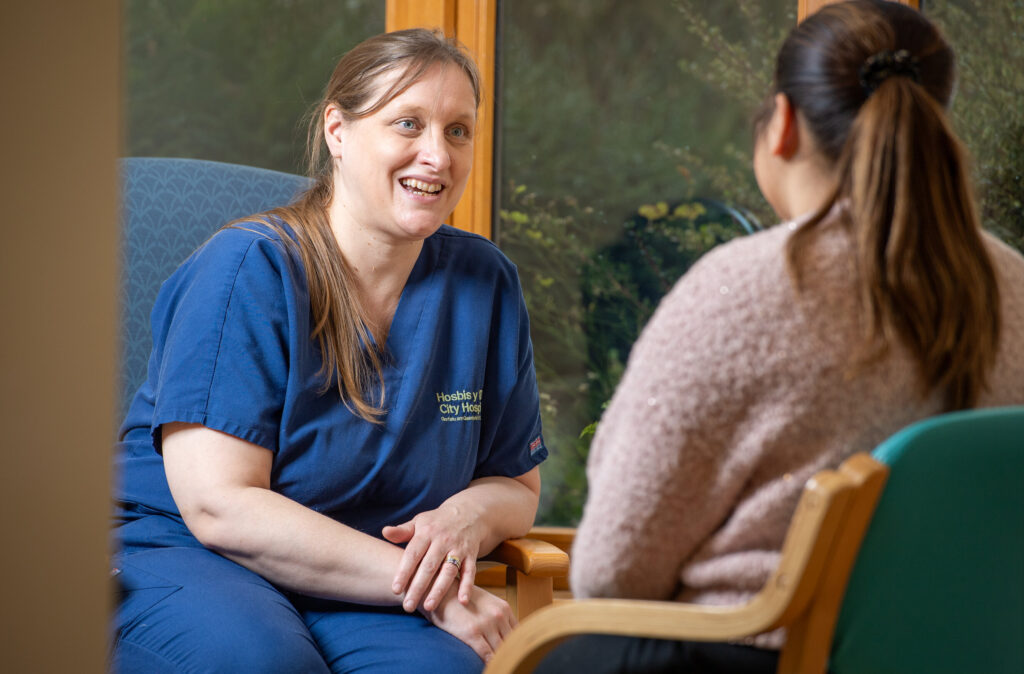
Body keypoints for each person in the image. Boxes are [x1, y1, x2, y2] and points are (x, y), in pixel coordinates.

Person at [538, 1, 1024, 672]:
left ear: (784, 125)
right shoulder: (1013, 285)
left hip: (755, 654)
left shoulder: (744, 288)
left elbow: (612, 572)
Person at [111, 28, 548, 674]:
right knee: (263, 664)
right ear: (337, 132)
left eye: (458, 131)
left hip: (360, 578)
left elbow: (517, 485)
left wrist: (464, 519)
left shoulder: (484, 283)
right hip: (187, 552)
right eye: (409, 123)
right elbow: (219, 506)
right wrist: (425, 583)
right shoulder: (247, 270)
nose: (437, 155)